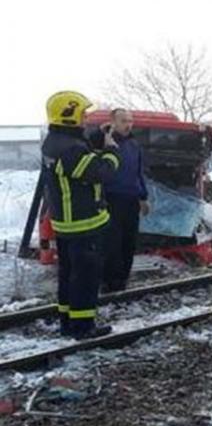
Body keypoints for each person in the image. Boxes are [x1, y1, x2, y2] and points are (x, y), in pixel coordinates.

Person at [41, 91, 121, 339]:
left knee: (68, 275)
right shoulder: (70, 149)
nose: (86, 118)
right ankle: (84, 327)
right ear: (68, 116)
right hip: (83, 224)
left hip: (66, 224)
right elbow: (100, 172)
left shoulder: (55, 141)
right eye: (82, 114)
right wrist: (112, 152)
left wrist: (98, 135)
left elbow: (82, 154)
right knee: (86, 277)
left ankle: (68, 321)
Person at [90, 108, 150, 293]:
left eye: (130, 121)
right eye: (123, 120)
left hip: (131, 199)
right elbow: (90, 143)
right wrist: (101, 132)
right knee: (111, 244)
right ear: (113, 122)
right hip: (110, 199)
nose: (128, 124)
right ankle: (109, 282)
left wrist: (143, 197)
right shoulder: (104, 140)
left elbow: (138, 173)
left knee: (129, 242)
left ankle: (122, 281)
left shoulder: (133, 144)